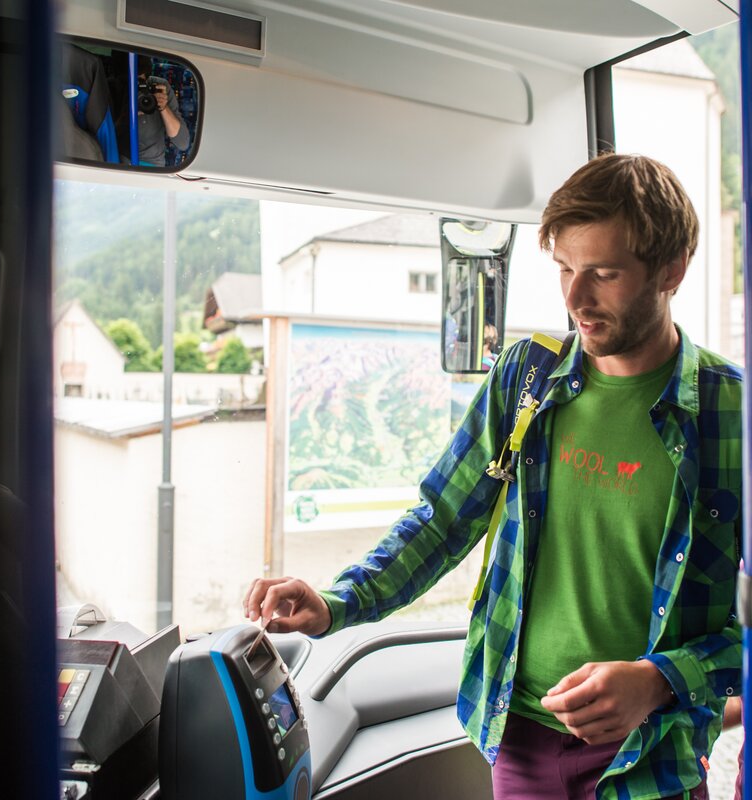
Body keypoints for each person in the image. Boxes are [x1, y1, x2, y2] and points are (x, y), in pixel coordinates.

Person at [245, 153, 743, 799]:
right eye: (564, 268)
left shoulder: (731, 415)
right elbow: (443, 518)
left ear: (672, 270)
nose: (574, 297)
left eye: (604, 273)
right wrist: (339, 602)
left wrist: (659, 681)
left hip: (653, 758)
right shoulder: (525, 377)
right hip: (519, 739)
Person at [120, 57, 191, 167]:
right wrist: (126, 116)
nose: (136, 91)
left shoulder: (158, 87)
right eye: (130, 84)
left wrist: (163, 107)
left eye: (140, 83)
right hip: (117, 160)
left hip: (151, 164)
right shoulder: (113, 86)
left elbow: (182, 142)